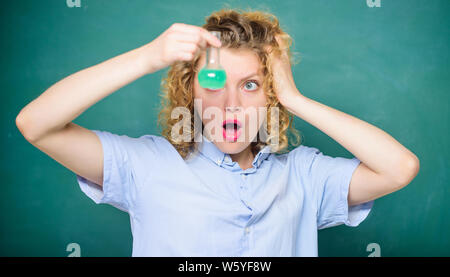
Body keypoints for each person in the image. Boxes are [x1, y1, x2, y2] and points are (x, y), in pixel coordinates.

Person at [15, 8, 420, 257]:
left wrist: (294, 97)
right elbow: (35, 124)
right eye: (213, 82)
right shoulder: (145, 164)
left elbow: (399, 168)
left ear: (270, 95)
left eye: (249, 85)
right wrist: (147, 57)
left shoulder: (304, 176)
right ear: (189, 90)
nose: (230, 103)